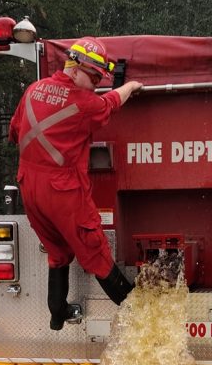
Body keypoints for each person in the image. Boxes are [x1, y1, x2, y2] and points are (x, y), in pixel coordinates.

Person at [8, 38, 143, 329]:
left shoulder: (33, 90)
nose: (95, 84)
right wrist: (130, 86)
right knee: (96, 253)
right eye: (94, 77)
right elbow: (110, 103)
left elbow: (15, 131)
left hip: (29, 187)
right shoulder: (83, 103)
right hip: (63, 190)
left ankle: (57, 313)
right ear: (76, 67)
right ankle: (139, 315)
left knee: (57, 252)